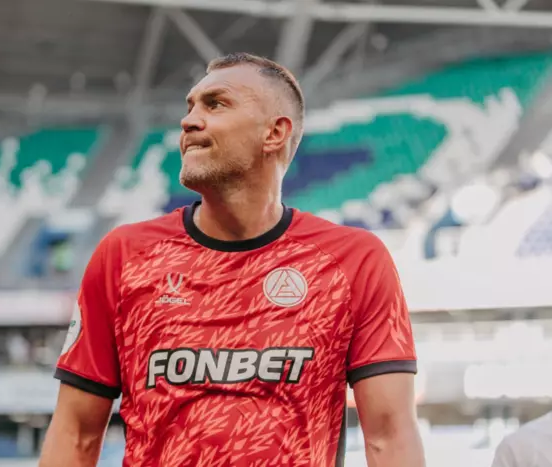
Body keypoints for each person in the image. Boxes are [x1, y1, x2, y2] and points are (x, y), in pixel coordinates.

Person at [39, 52, 425, 467]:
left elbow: (390, 436)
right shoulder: (124, 256)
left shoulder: (354, 261)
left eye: (215, 104)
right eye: (190, 106)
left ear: (274, 133)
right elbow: (75, 434)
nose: (189, 121)